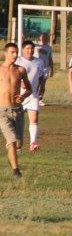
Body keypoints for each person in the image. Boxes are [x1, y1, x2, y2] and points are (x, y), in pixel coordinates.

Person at [0, 42, 31, 178]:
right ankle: (16, 171)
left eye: (16, 52)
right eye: (12, 52)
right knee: (11, 140)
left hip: (18, 111)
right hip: (2, 111)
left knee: (18, 143)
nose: (15, 55)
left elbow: (29, 89)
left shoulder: (20, 70)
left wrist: (23, 96)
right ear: (5, 53)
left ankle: (13, 161)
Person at [16, 40, 45, 152]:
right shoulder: (18, 61)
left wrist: (42, 87)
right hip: (19, 95)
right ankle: (17, 143)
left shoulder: (39, 62)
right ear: (23, 49)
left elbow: (41, 76)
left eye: (32, 48)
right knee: (17, 120)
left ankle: (33, 143)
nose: (30, 50)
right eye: (27, 48)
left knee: (34, 118)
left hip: (33, 95)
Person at [35, 33, 53, 103]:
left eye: (46, 38)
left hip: (45, 68)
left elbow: (50, 59)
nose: (44, 39)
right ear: (40, 37)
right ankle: (34, 98)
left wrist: (51, 69)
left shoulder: (49, 47)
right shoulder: (36, 45)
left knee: (43, 84)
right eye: (43, 37)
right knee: (36, 83)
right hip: (36, 67)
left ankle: (40, 99)